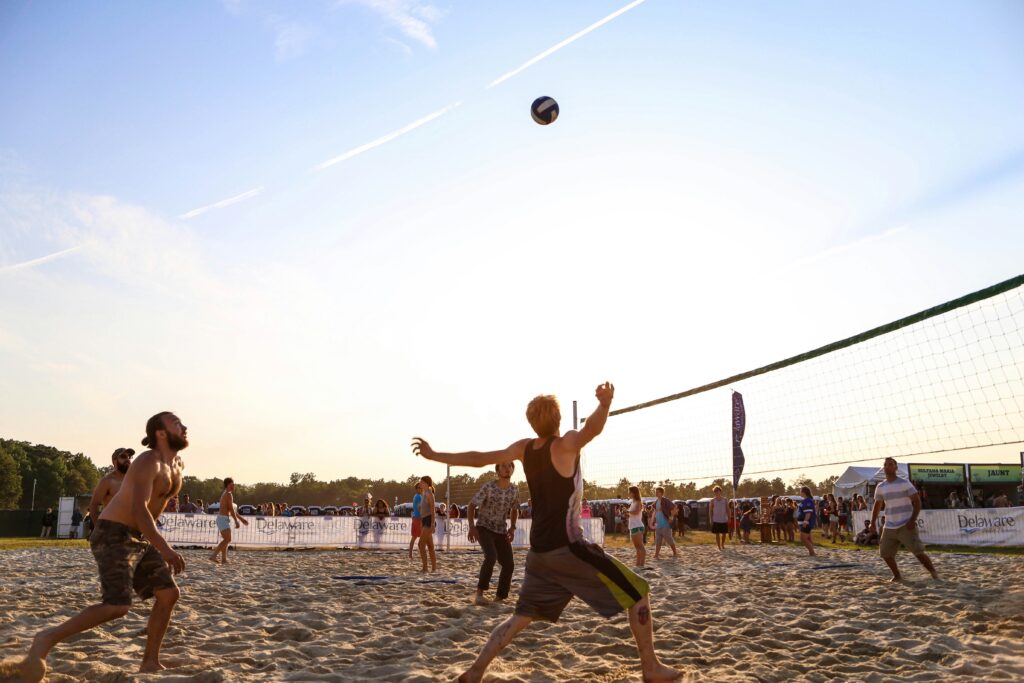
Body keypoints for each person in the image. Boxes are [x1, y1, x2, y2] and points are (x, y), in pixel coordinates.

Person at [411, 382, 680, 683]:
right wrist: (605, 404)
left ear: (532, 422)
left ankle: (475, 672)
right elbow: (592, 429)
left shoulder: (524, 448)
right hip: (570, 548)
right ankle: (651, 668)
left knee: (520, 617)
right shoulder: (564, 445)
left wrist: (435, 455)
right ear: (558, 418)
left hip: (539, 554)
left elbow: (480, 457)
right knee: (639, 594)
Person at [17, 412, 187, 681]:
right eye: (177, 423)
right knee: (116, 607)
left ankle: (150, 662)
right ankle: (45, 639)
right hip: (114, 533)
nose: (184, 426)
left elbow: (155, 507)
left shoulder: (177, 464)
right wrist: (165, 547)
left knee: (168, 595)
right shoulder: (146, 462)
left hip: (139, 536)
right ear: (161, 433)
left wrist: (154, 544)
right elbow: (139, 509)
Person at [869, 457, 939, 582]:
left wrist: (912, 520)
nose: (887, 467)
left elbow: (917, 501)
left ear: (896, 467)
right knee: (885, 553)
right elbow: (877, 505)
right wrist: (872, 523)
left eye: (890, 464)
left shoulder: (904, 483)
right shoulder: (881, 486)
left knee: (918, 552)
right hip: (889, 525)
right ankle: (897, 575)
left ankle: (934, 573)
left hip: (905, 524)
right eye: (885, 465)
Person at [468, 461, 520, 606]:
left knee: (509, 564)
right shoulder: (489, 486)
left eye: (510, 466)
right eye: (503, 466)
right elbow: (472, 505)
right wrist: (472, 527)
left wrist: (513, 527)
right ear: (497, 470)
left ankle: (500, 597)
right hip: (484, 527)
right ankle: (479, 593)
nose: (507, 468)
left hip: (501, 530)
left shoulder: (514, 490)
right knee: (491, 556)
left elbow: (515, 509)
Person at [89, 448, 136, 527]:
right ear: (114, 461)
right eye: (123, 457)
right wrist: (99, 528)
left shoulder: (135, 480)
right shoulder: (107, 481)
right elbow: (93, 505)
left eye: (129, 457)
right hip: (112, 529)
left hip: (133, 529)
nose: (127, 460)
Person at [210, 478, 248, 564]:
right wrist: (236, 521)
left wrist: (241, 519)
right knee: (227, 539)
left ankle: (223, 559)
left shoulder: (228, 494)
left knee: (226, 539)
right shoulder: (228, 494)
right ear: (227, 485)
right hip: (222, 519)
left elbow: (232, 510)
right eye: (232, 484)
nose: (233, 486)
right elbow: (231, 509)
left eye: (234, 484)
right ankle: (214, 555)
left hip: (223, 519)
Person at [418, 476, 437, 573]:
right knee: (430, 546)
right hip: (425, 519)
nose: (420, 483)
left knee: (421, 544)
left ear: (426, 483)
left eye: (421, 482)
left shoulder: (429, 494)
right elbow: (424, 509)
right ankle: (434, 568)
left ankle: (425, 568)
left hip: (429, 520)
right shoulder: (424, 493)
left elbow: (433, 510)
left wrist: (433, 524)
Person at [652, 487, 677, 559]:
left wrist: (671, 518)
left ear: (662, 493)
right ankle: (656, 555)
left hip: (665, 524)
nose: (656, 493)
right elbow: (655, 512)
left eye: (658, 492)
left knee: (669, 539)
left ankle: (675, 552)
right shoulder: (656, 501)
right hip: (658, 524)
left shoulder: (666, 500)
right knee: (658, 540)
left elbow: (674, 508)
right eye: (656, 492)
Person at [627, 486, 646, 567]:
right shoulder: (633, 502)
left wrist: (627, 511)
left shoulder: (638, 502)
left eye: (630, 492)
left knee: (640, 546)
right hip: (633, 526)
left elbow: (636, 512)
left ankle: (642, 564)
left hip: (637, 526)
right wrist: (626, 513)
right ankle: (638, 564)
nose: (629, 493)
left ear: (634, 493)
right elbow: (632, 513)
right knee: (637, 547)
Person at [798, 486, 817, 556]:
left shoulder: (807, 501)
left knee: (803, 538)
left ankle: (812, 552)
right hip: (806, 522)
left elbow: (808, 513)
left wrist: (805, 522)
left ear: (803, 492)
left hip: (807, 522)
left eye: (800, 491)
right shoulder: (806, 500)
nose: (800, 493)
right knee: (808, 538)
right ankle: (812, 552)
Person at [709, 486, 729, 551]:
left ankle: (722, 544)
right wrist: (711, 519)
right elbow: (710, 511)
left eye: (718, 491)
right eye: (715, 491)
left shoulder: (725, 500)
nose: (717, 492)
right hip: (716, 520)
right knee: (717, 534)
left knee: (724, 534)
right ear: (714, 492)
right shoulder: (712, 500)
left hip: (724, 519)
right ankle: (719, 546)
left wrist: (729, 518)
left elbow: (727, 509)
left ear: (720, 491)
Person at [408, 481, 423, 560]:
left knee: (415, 537)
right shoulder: (419, 497)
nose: (420, 489)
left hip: (416, 517)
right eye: (418, 488)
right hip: (418, 518)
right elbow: (420, 508)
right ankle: (419, 554)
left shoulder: (416, 496)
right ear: (416, 489)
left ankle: (411, 554)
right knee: (419, 537)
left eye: (421, 488)